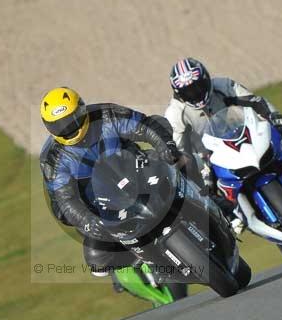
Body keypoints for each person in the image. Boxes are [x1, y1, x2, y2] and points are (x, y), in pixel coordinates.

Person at [38, 86, 183, 283]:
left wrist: (166, 146)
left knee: (181, 160)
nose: (67, 129)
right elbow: (64, 200)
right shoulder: (53, 157)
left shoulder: (106, 115)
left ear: (81, 110)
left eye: (70, 121)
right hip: (101, 203)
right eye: (58, 126)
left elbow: (143, 126)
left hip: (136, 170)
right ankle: (138, 263)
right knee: (96, 260)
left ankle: (211, 199)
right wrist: (87, 220)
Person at [164, 57, 282, 233]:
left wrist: (274, 116)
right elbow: (179, 148)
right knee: (202, 186)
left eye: (198, 86)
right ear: (179, 93)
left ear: (206, 79)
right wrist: (186, 165)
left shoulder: (223, 85)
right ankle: (230, 216)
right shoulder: (175, 113)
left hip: (241, 133)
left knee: (279, 134)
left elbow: (256, 101)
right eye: (188, 92)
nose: (195, 94)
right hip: (208, 154)